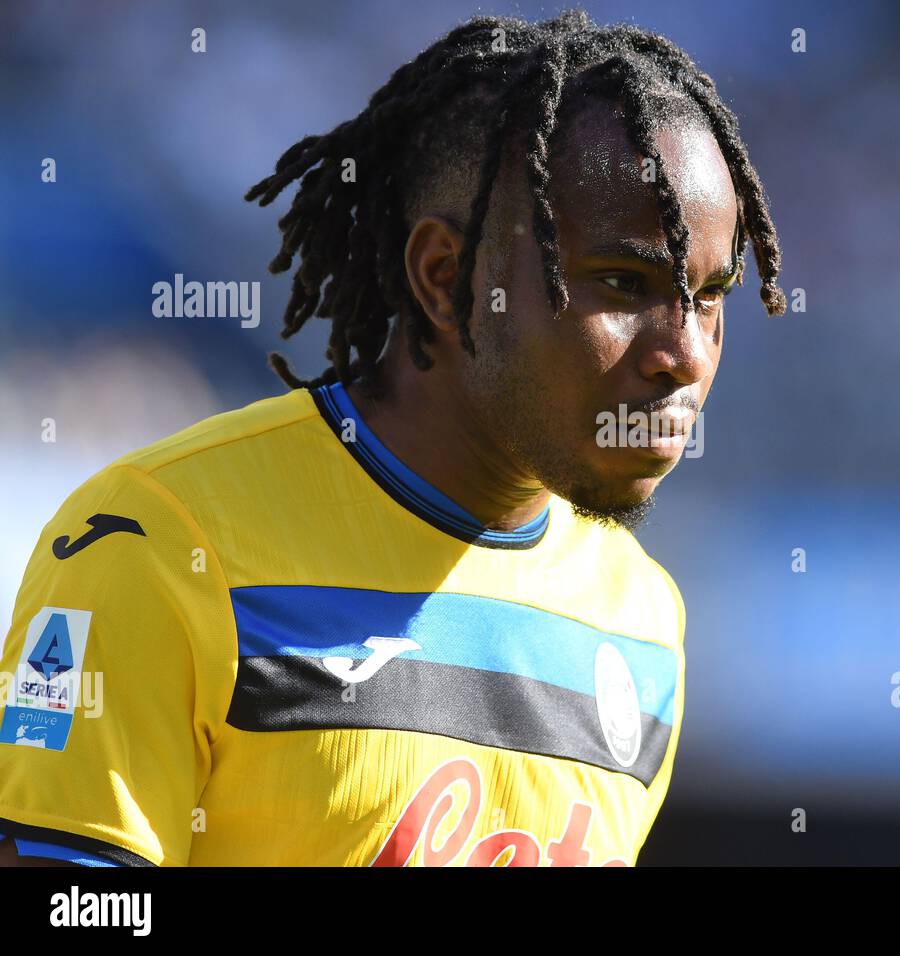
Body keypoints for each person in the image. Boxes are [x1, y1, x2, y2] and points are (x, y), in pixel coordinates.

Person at [0, 7, 785, 866]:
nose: (684, 354)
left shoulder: (641, 619)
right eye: (621, 282)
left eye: (711, 296)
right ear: (446, 280)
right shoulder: (152, 544)